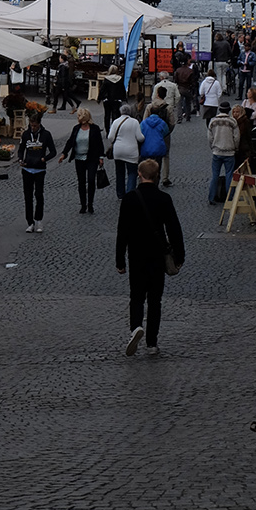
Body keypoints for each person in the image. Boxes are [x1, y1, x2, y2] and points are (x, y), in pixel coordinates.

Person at [116, 158, 185, 357]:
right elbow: (174, 229)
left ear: (139, 174)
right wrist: (179, 255)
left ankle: (136, 327)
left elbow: (122, 232)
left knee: (136, 297)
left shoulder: (129, 199)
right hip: (157, 255)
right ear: (156, 177)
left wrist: (120, 260)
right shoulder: (164, 199)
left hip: (136, 254)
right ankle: (152, 342)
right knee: (155, 300)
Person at [59, 106, 106, 214]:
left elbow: (99, 144)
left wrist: (101, 157)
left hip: (91, 158)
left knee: (90, 180)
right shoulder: (76, 128)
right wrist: (64, 154)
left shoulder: (94, 128)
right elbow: (70, 141)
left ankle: (90, 204)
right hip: (79, 158)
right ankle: (83, 205)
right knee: (81, 182)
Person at [17, 112, 55, 233]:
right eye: (31, 125)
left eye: (35, 126)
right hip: (27, 169)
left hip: (39, 169)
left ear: (39, 124)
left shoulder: (46, 135)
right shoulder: (26, 134)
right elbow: (21, 149)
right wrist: (20, 159)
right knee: (28, 197)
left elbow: (53, 151)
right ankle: (30, 222)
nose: (33, 128)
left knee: (39, 195)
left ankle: (38, 220)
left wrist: (44, 159)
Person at [107, 101, 145, 198]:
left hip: (118, 151)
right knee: (132, 173)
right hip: (131, 151)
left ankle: (120, 194)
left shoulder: (116, 122)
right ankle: (130, 194)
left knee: (119, 173)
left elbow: (110, 137)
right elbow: (140, 138)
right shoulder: (134, 122)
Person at [207, 100, 240, 203]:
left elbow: (209, 137)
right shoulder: (232, 122)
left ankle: (211, 197)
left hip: (217, 152)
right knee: (229, 174)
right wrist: (235, 147)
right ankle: (230, 198)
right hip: (229, 152)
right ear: (228, 110)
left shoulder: (213, 121)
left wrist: (212, 147)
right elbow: (237, 137)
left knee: (215, 175)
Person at [140, 95, 172, 187]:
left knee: (146, 165)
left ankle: (145, 181)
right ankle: (156, 183)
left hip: (146, 148)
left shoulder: (144, 123)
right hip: (158, 147)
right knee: (158, 165)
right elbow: (166, 132)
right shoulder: (162, 123)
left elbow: (140, 133)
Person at [100, 65, 125, 134]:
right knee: (116, 115)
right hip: (116, 99)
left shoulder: (106, 79)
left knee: (107, 115)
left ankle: (107, 131)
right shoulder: (120, 79)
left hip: (107, 100)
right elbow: (122, 89)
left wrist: (100, 98)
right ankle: (115, 130)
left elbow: (103, 90)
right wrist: (123, 98)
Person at [175, 58, 198, 122]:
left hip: (180, 88)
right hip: (187, 88)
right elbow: (193, 81)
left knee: (179, 104)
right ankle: (188, 116)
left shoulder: (178, 70)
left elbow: (176, 80)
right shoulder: (190, 71)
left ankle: (179, 117)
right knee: (188, 103)